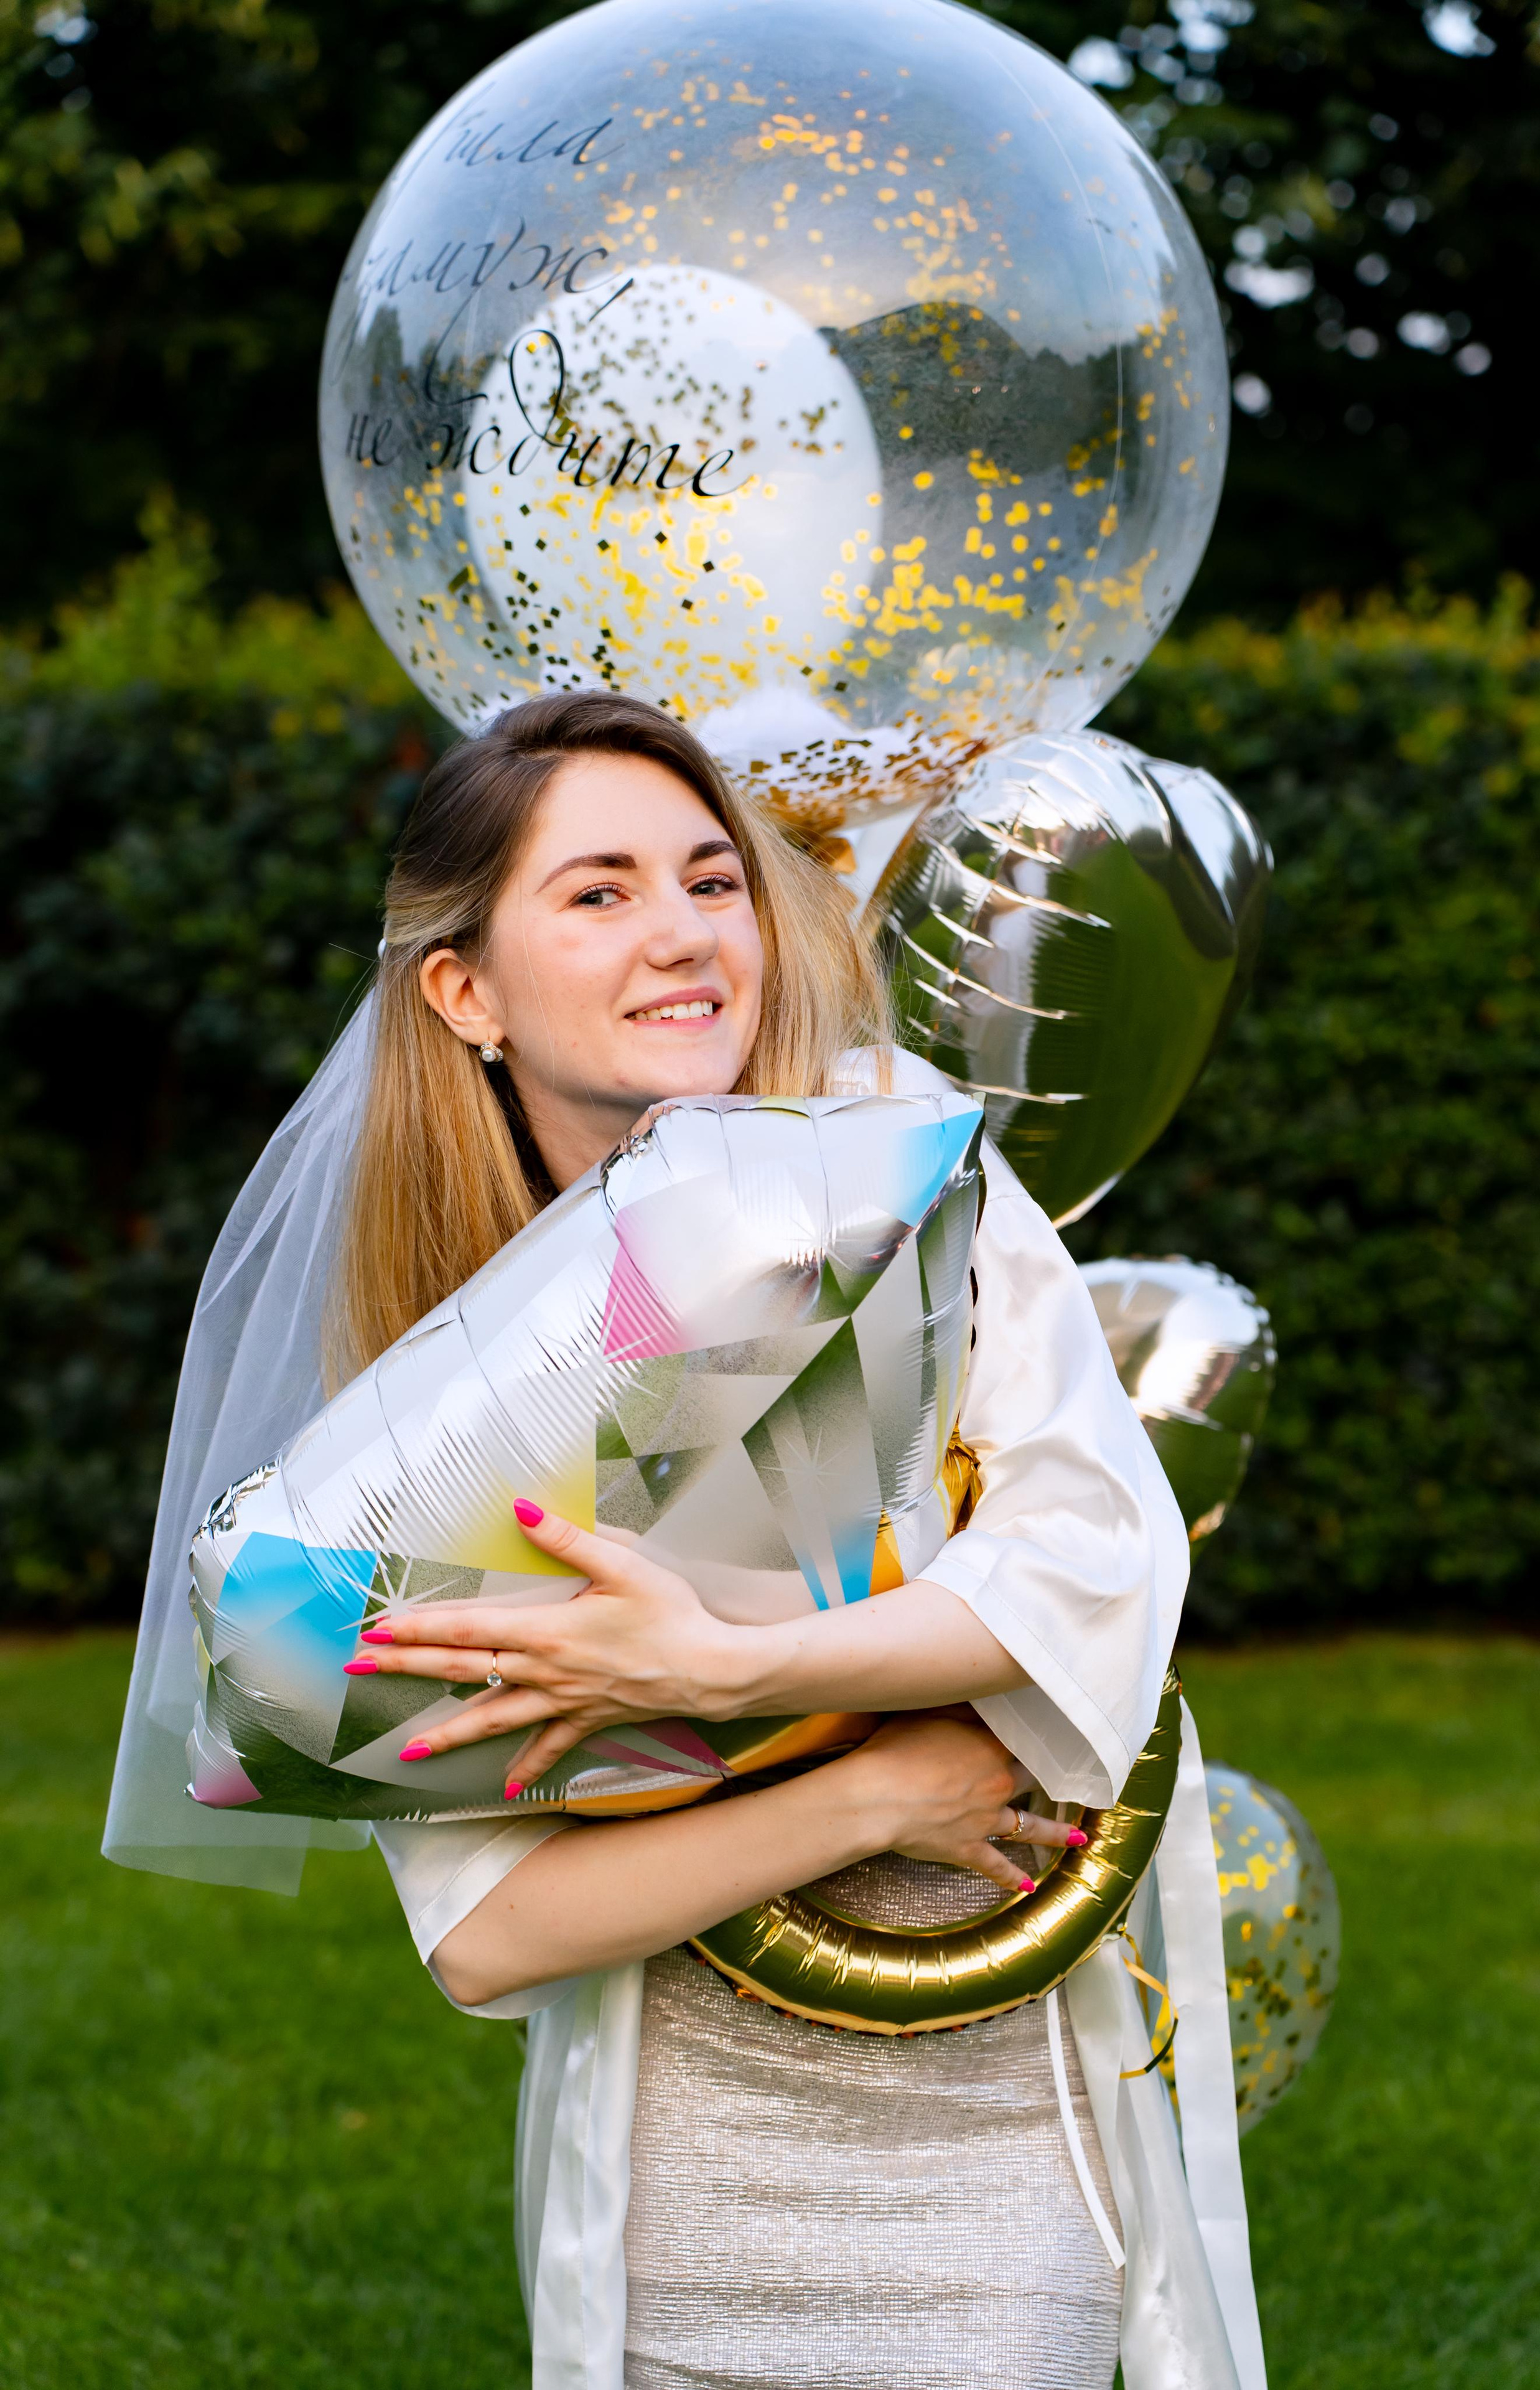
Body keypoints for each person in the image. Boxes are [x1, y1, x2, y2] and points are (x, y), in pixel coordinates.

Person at [105, 693, 1265, 2390]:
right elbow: (487, 1930)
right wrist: (868, 1791)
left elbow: (1095, 1558)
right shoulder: (428, 1392)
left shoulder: (901, 1157)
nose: (684, 934)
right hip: (682, 2166)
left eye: (712, 880)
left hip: (996, 2110)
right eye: (601, 892)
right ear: (464, 987)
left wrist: (727, 1668)